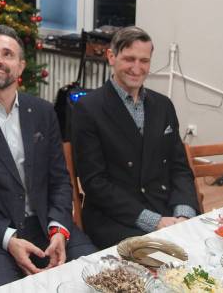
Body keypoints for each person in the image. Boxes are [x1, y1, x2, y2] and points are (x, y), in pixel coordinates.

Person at [0, 25, 97, 292]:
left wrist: (59, 229)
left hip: (46, 226)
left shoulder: (43, 112)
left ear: (21, 66)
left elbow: (60, 180)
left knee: (99, 279)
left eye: (7, 54)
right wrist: (8, 239)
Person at [71, 26, 199, 249]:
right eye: (129, 59)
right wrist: (154, 221)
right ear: (111, 57)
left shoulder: (164, 106)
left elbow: (179, 168)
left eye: (144, 61)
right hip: (116, 219)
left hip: (166, 210)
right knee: (163, 258)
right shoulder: (88, 109)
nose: (137, 68)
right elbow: (95, 183)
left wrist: (183, 214)